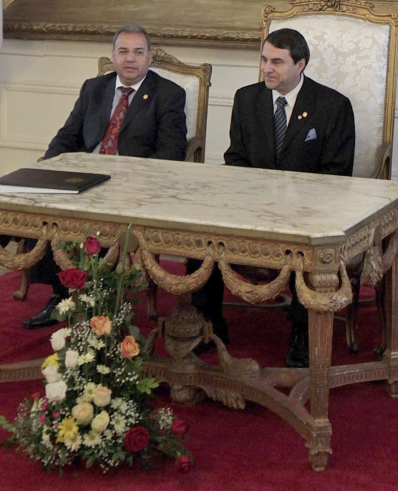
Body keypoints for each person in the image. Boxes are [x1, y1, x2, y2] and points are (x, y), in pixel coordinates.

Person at [192, 27, 355, 367]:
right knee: (198, 236)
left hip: (308, 212)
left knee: (309, 248)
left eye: (277, 62)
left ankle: (300, 330)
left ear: (301, 64)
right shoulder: (247, 98)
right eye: (265, 60)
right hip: (252, 207)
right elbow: (235, 158)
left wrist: (292, 204)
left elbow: (337, 175)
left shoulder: (333, 106)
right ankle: (209, 324)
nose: (267, 68)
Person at [23, 25, 188, 328]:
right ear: (112, 55)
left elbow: (171, 153)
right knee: (50, 211)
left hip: (132, 186)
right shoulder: (93, 88)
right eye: (123, 51)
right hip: (84, 178)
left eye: (138, 52)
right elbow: (67, 136)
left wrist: (129, 181)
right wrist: (49, 168)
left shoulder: (168, 95)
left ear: (150, 58)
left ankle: (105, 296)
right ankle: (60, 296)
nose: (130, 59)